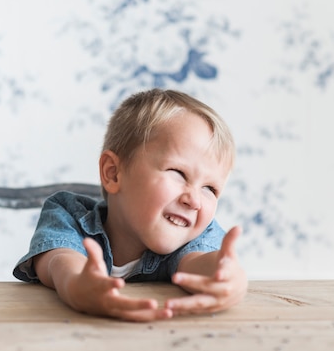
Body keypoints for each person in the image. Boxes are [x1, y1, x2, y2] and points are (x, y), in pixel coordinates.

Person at [13, 88, 247, 322]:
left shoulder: (194, 237)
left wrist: (229, 277)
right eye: (178, 173)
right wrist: (77, 285)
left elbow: (198, 262)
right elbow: (58, 261)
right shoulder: (68, 216)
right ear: (113, 173)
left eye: (210, 189)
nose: (194, 200)